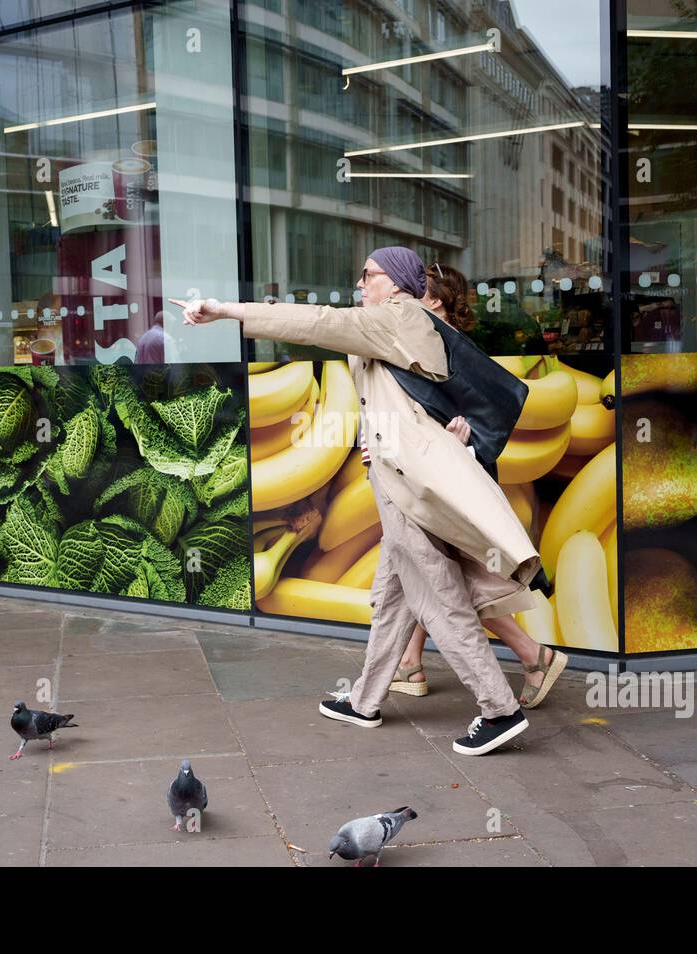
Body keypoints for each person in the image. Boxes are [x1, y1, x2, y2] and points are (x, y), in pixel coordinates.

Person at [170, 247, 538, 756]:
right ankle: (365, 700)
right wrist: (385, 434)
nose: (360, 284)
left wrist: (227, 310)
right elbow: (407, 398)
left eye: (369, 275)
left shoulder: (393, 317)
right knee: (391, 600)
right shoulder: (396, 326)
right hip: (398, 481)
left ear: (398, 283)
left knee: (438, 599)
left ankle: (499, 709)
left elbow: (315, 322)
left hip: (411, 491)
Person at [388, 262, 567, 708]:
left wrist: (452, 441)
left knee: (445, 577)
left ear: (434, 302)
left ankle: (532, 655)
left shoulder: (450, 352)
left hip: (451, 480)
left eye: (414, 292)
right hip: (433, 478)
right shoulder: (421, 342)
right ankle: (410, 661)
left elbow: (478, 416)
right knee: (430, 571)